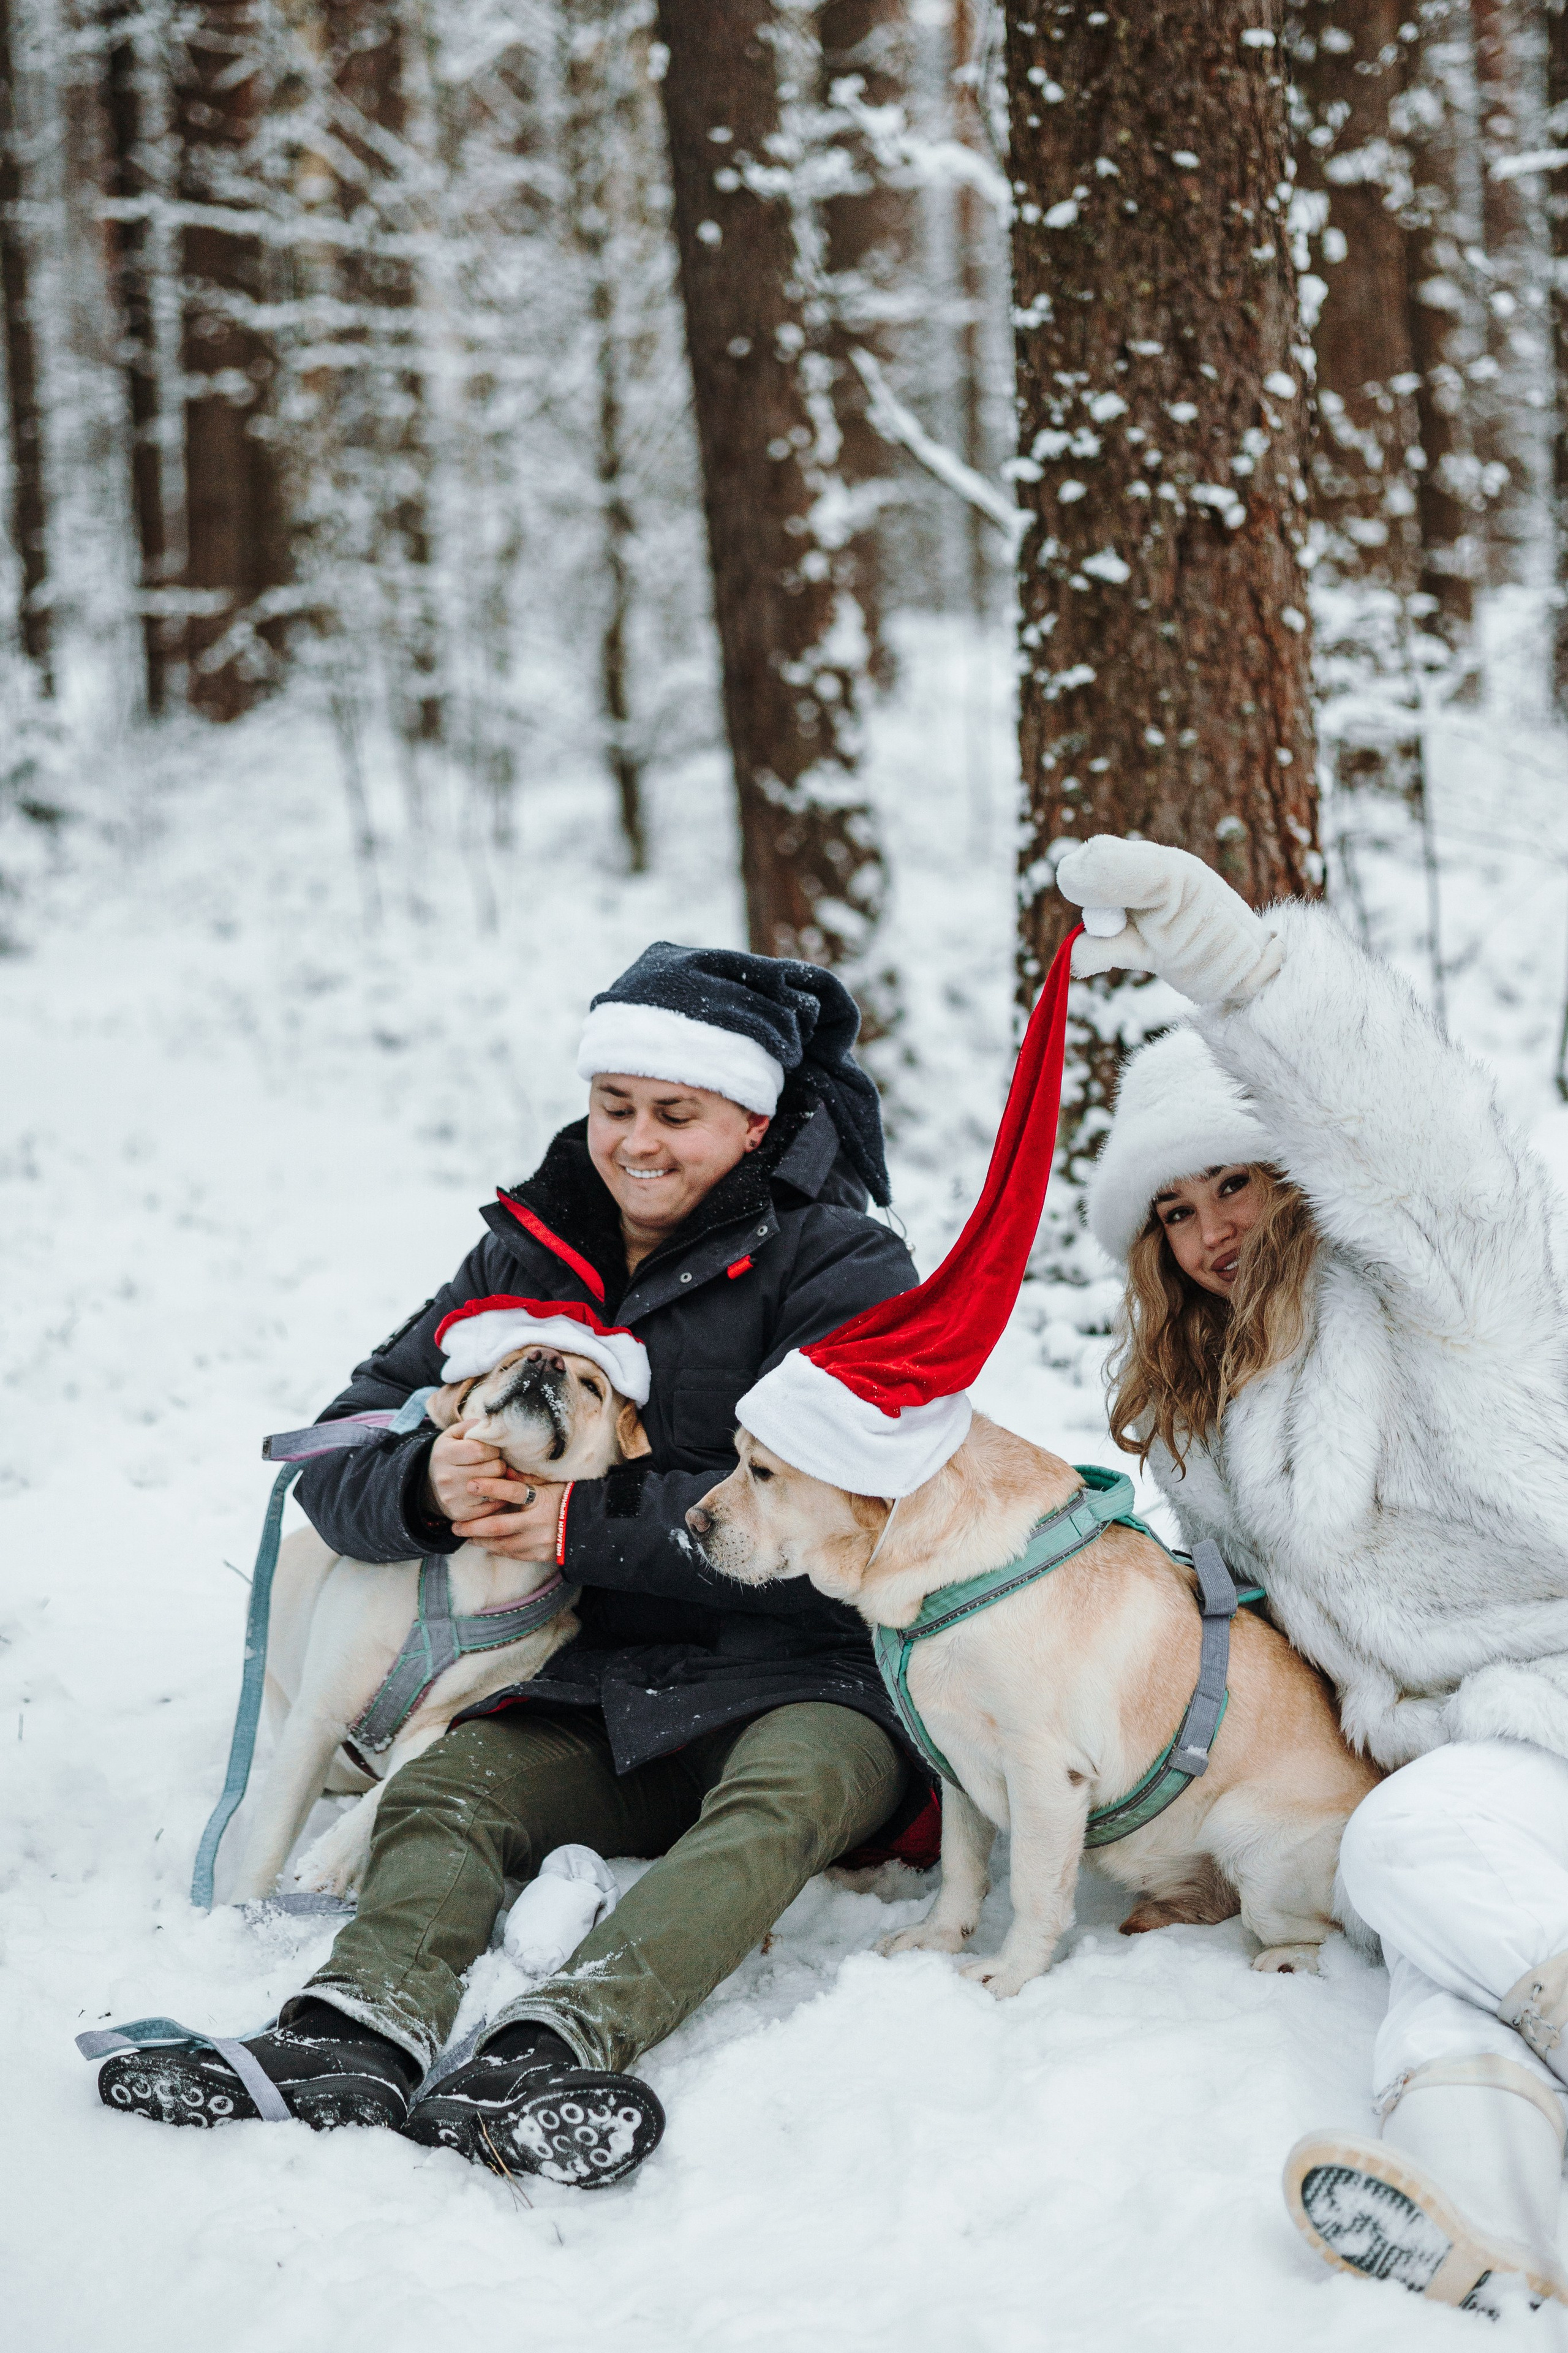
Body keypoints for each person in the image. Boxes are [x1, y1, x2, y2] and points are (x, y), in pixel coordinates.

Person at [97, 942, 925, 2187]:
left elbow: (848, 1516)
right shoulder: (523, 1254)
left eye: (677, 1113)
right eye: (615, 1105)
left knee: (784, 1797)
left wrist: (579, 1526)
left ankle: (549, 2052)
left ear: (755, 1122)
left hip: (809, 1674)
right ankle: (349, 2031)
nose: (637, 1140)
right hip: (585, 1675)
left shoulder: (845, 1268)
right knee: (448, 1787)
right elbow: (338, 1441)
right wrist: (421, 1489)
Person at [1057, 834, 1568, 2315]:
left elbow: (1419, 1141)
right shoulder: (1206, 1417)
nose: (1211, 1229)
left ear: (1299, 1169)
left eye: (1235, 1180)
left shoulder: (1440, 1293)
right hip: (1463, 1755)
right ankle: (1496, 2225)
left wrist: (1241, 973)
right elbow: (1237, 1646)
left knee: (1408, 1851)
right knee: (1434, 1966)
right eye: (1173, 1208)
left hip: (1543, 1699)